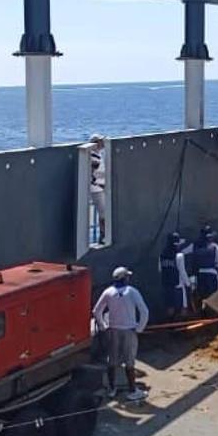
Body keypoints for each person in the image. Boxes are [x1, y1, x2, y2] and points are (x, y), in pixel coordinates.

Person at [92, 267, 150, 401]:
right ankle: (132, 390)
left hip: (113, 330)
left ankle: (112, 389)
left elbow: (96, 311)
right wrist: (139, 328)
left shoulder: (108, 292)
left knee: (111, 361)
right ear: (125, 278)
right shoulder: (132, 292)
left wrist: (103, 326)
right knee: (129, 362)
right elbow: (144, 311)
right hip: (129, 331)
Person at [177, 227, 218, 304]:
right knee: (215, 298)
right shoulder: (215, 246)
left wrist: (182, 242)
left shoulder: (194, 245)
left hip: (200, 276)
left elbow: (183, 251)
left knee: (203, 297)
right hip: (212, 275)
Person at [159, 232, 188, 318]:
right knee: (183, 307)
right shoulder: (179, 256)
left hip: (167, 285)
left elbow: (160, 269)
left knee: (170, 308)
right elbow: (182, 272)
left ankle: (170, 326)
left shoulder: (162, 255)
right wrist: (188, 284)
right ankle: (183, 326)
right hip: (178, 285)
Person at [88, 134, 108, 242]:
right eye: (101, 141)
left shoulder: (99, 155)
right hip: (96, 188)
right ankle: (103, 235)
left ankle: (103, 234)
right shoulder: (92, 157)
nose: (103, 143)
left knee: (104, 212)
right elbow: (91, 175)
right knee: (104, 212)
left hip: (101, 187)